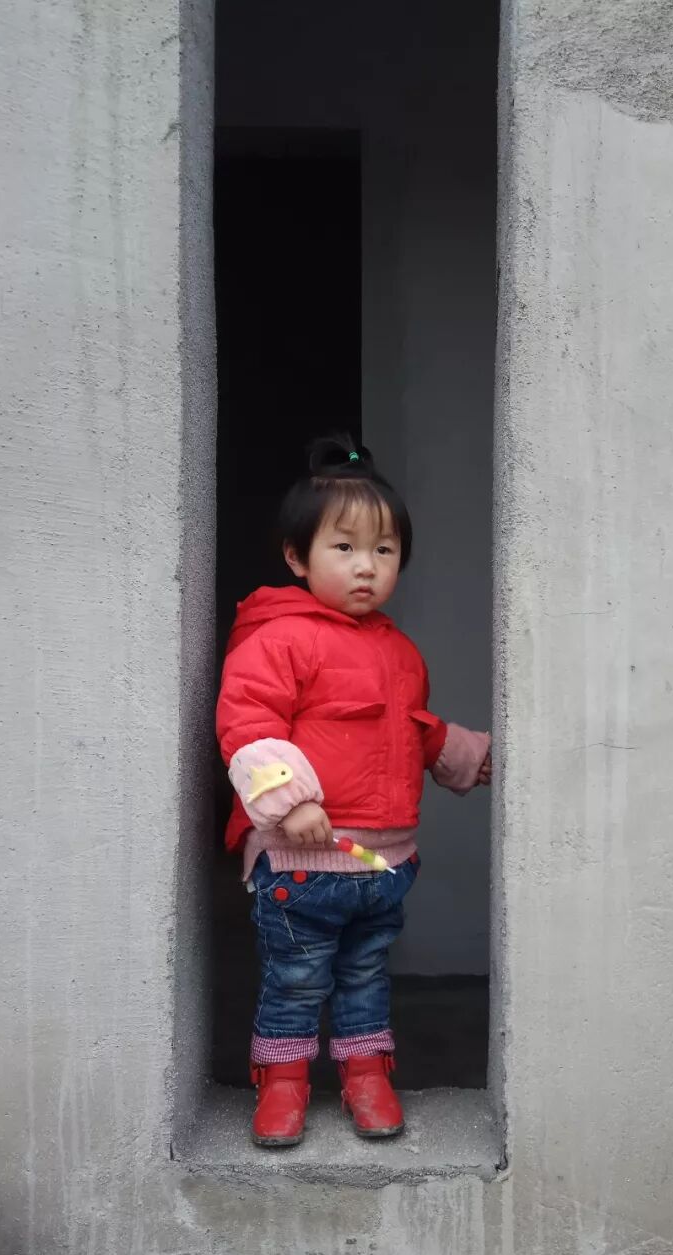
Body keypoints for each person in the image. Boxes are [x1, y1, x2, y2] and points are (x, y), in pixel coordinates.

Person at [216, 436, 491, 1148]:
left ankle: (367, 1076)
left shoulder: (399, 651)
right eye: (344, 547)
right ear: (296, 556)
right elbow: (248, 723)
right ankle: (283, 1085)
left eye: (384, 550)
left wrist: (467, 757)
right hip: (304, 861)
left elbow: (415, 730)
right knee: (296, 978)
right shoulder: (278, 640)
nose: (366, 566)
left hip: (384, 863)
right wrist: (289, 799)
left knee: (367, 975)